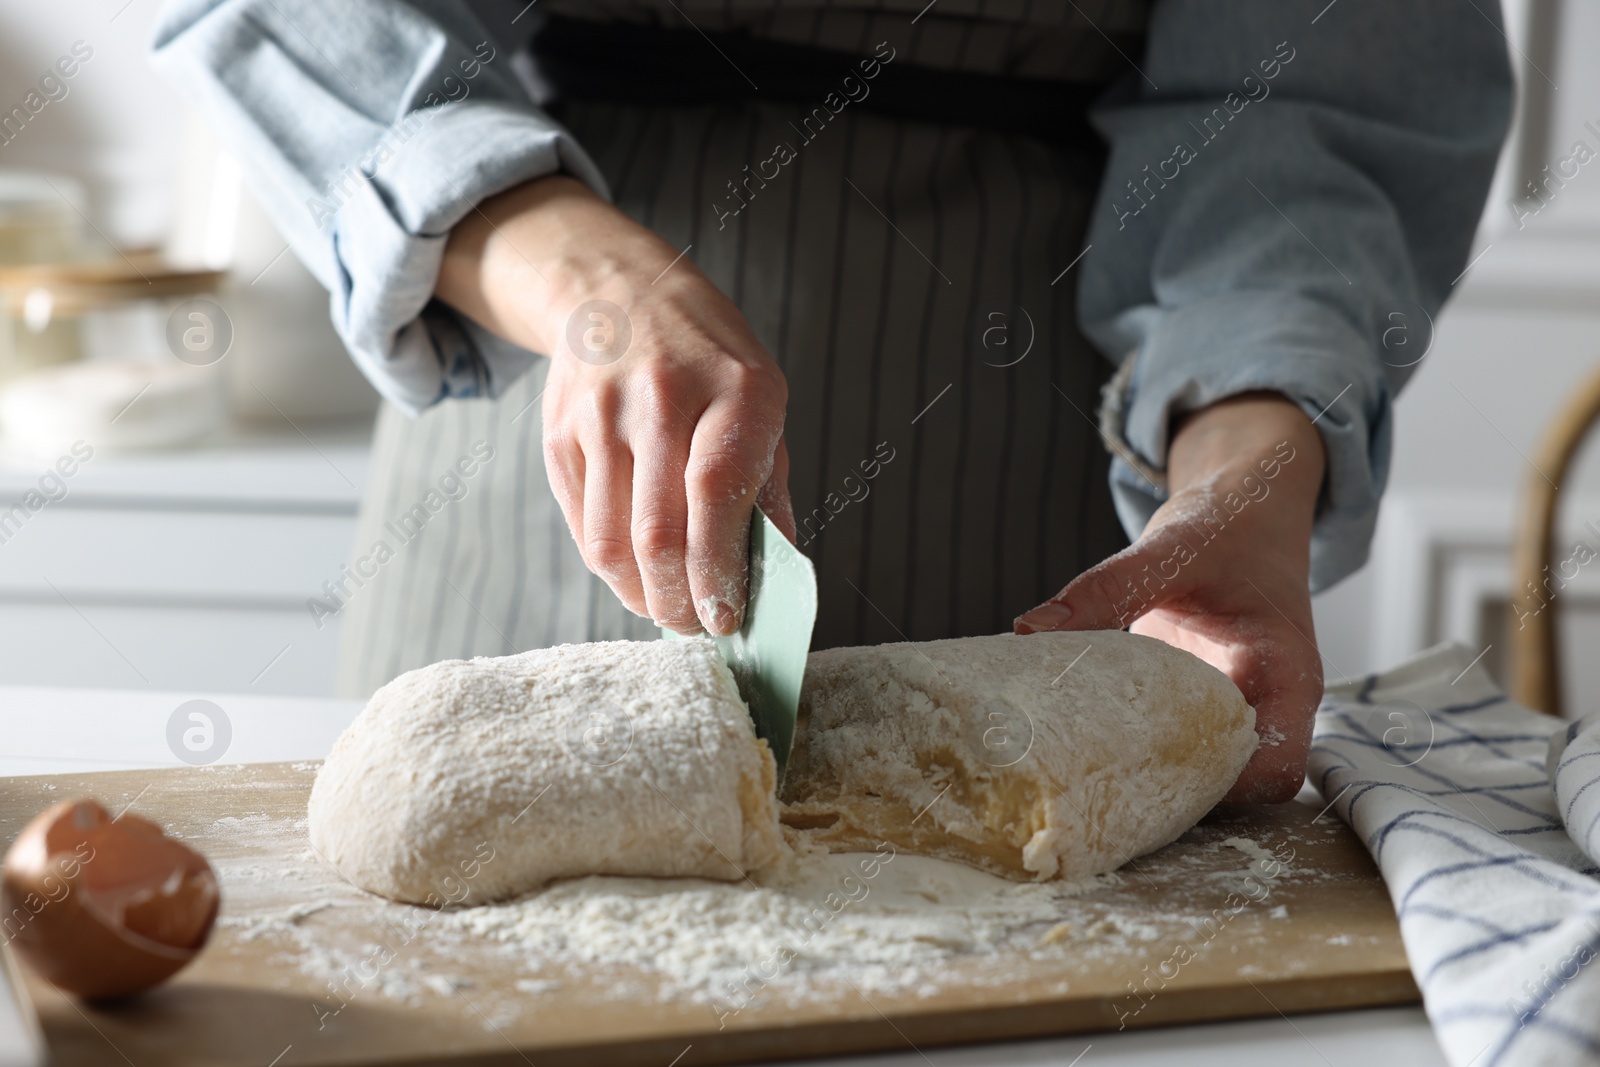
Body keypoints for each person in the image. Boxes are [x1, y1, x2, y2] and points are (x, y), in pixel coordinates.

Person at [152, 0, 1511, 802]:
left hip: (1056, 499)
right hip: (535, 406)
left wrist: (1246, 465)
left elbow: (1321, 85)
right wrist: (561, 262)